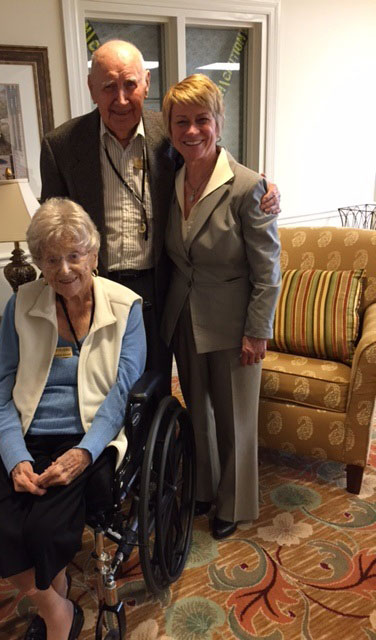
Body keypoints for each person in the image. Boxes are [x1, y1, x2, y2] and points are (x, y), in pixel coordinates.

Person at [39, 40, 280, 391]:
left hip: (160, 290)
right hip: (94, 289)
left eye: (130, 84)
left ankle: (158, 447)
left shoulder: (170, 132)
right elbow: (53, 225)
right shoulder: (61, 145)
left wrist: (262, 183)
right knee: (99, 387)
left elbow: (212, 157)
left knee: (154, 387)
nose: (120, 99)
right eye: (108, 86)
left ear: (146, 84)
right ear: (92, 88)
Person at [0, 198, 146, 640]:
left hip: (87, 435)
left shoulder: (126, 307)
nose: (64, 269)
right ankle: (58, 608)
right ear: (39, 264)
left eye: (74, 255)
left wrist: (84, 452)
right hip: (25, 434)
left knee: (46, 530)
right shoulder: (21, 305)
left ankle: (56, 610)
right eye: (51, 259)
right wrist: (14, 456)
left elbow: (122, 393)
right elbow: (0, 388)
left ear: (94, 255)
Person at [160, 74, 281, 539]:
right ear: (170, 128)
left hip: (234, 325)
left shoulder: (249, 187)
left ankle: (233, 503)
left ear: (218, 122)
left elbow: (269, 269)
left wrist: (258, 330)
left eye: (201, 120)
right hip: (184, 317)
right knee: (198, 411)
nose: (192, 131)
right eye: (181, 122)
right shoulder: (171, 180)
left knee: (235, 418)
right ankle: (205, 490)